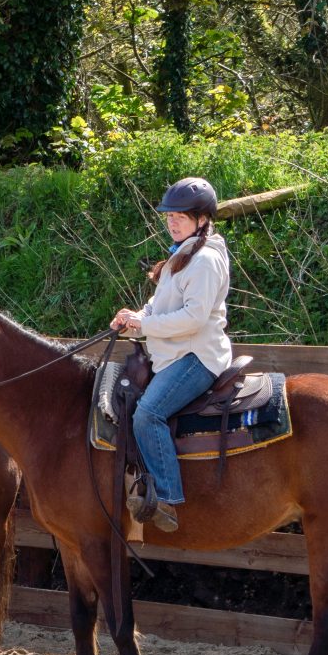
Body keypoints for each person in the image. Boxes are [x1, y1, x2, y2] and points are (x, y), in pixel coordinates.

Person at [110, 176, 234, 533]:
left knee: (148, 414)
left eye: (181, 216)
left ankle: (166, 497)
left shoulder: (205, 260)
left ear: (202, 219)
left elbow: (193, 318)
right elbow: (158, 307)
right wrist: (134, 320)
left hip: (196, 357)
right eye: (169, 216)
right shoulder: (182, 256)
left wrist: (144, 324)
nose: (172, 222)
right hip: (175, 353)